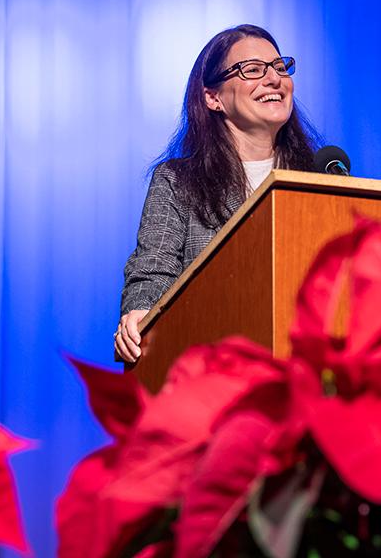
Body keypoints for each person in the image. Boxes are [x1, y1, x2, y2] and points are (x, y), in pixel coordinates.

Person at [114, 24, 320, 363]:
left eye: (280, 67)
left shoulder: (318, 179)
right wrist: (141, 314)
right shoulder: (179, 182)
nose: (274, 79)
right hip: (214, 370)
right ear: (213, 97)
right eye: (252, 70)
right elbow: (153, 271)